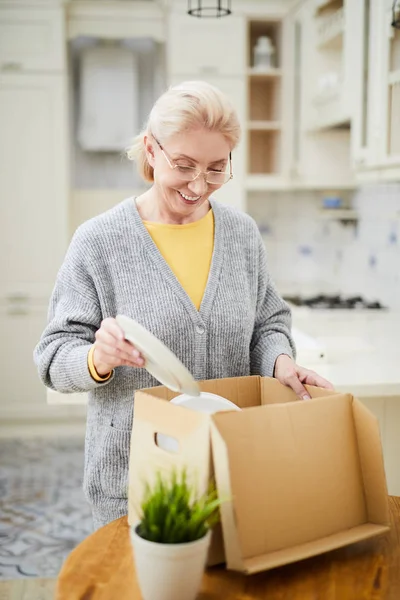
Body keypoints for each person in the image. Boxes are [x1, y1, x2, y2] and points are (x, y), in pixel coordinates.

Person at [34, 80, 333, 529]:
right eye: (185, 164)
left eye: (216, 168)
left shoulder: (242, 234)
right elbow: (53, 358)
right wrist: (98, 357)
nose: (199, 185)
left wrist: (280, 362)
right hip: (134, 484)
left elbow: (268, 323)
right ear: (151, 151)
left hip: (229, 472)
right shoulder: (98, 241)